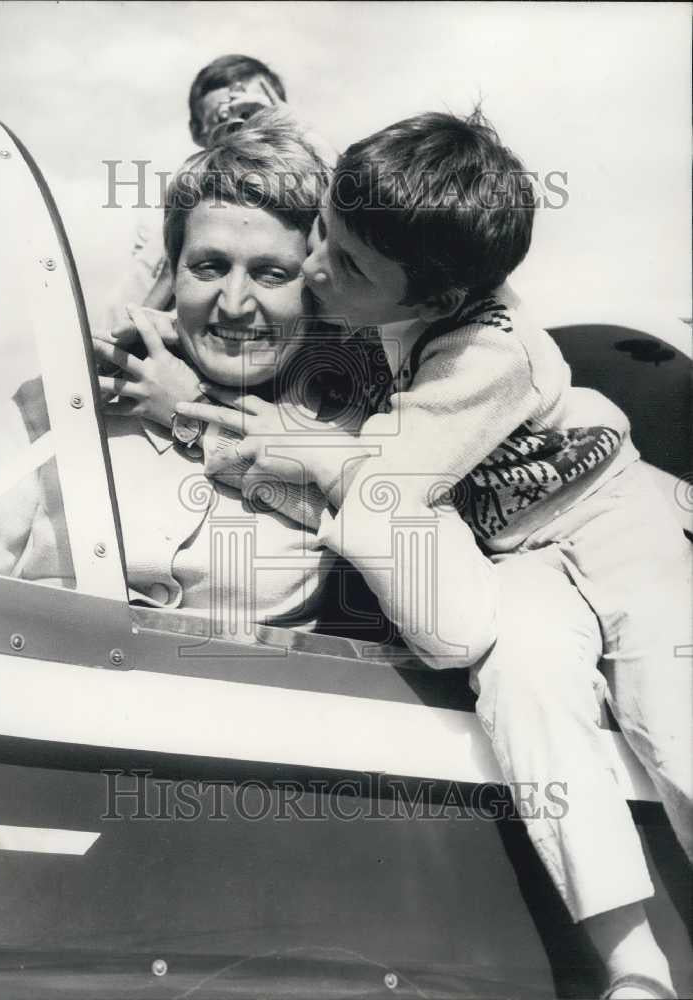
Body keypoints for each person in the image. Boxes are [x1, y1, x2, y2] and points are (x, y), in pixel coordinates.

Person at [177, 111, 691, 999]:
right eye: (324, 234)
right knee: (525, 689)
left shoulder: (490, 350)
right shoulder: (382, 291)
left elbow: (378, 484)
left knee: (671, 713)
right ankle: (633, 964)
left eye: (347, 266)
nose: (315, 268)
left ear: (438, 301)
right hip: (519, 554)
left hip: (613, 519)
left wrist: (219, 428)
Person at [0, 111, 366, 638]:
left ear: (321, 286)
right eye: (209, 267)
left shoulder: (353, 438)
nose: (234, 303)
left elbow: (418, 577)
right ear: (173, 273)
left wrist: (195, 422)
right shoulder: (60, 404)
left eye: (272, 274)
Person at [103, 54, 288, 325]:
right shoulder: (161, 223)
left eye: (251, 114)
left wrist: (293, 132)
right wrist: (172, 266)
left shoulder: (314, 195)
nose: (243, 130)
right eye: (224, 119)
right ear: (197, 132)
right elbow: (122, 325)